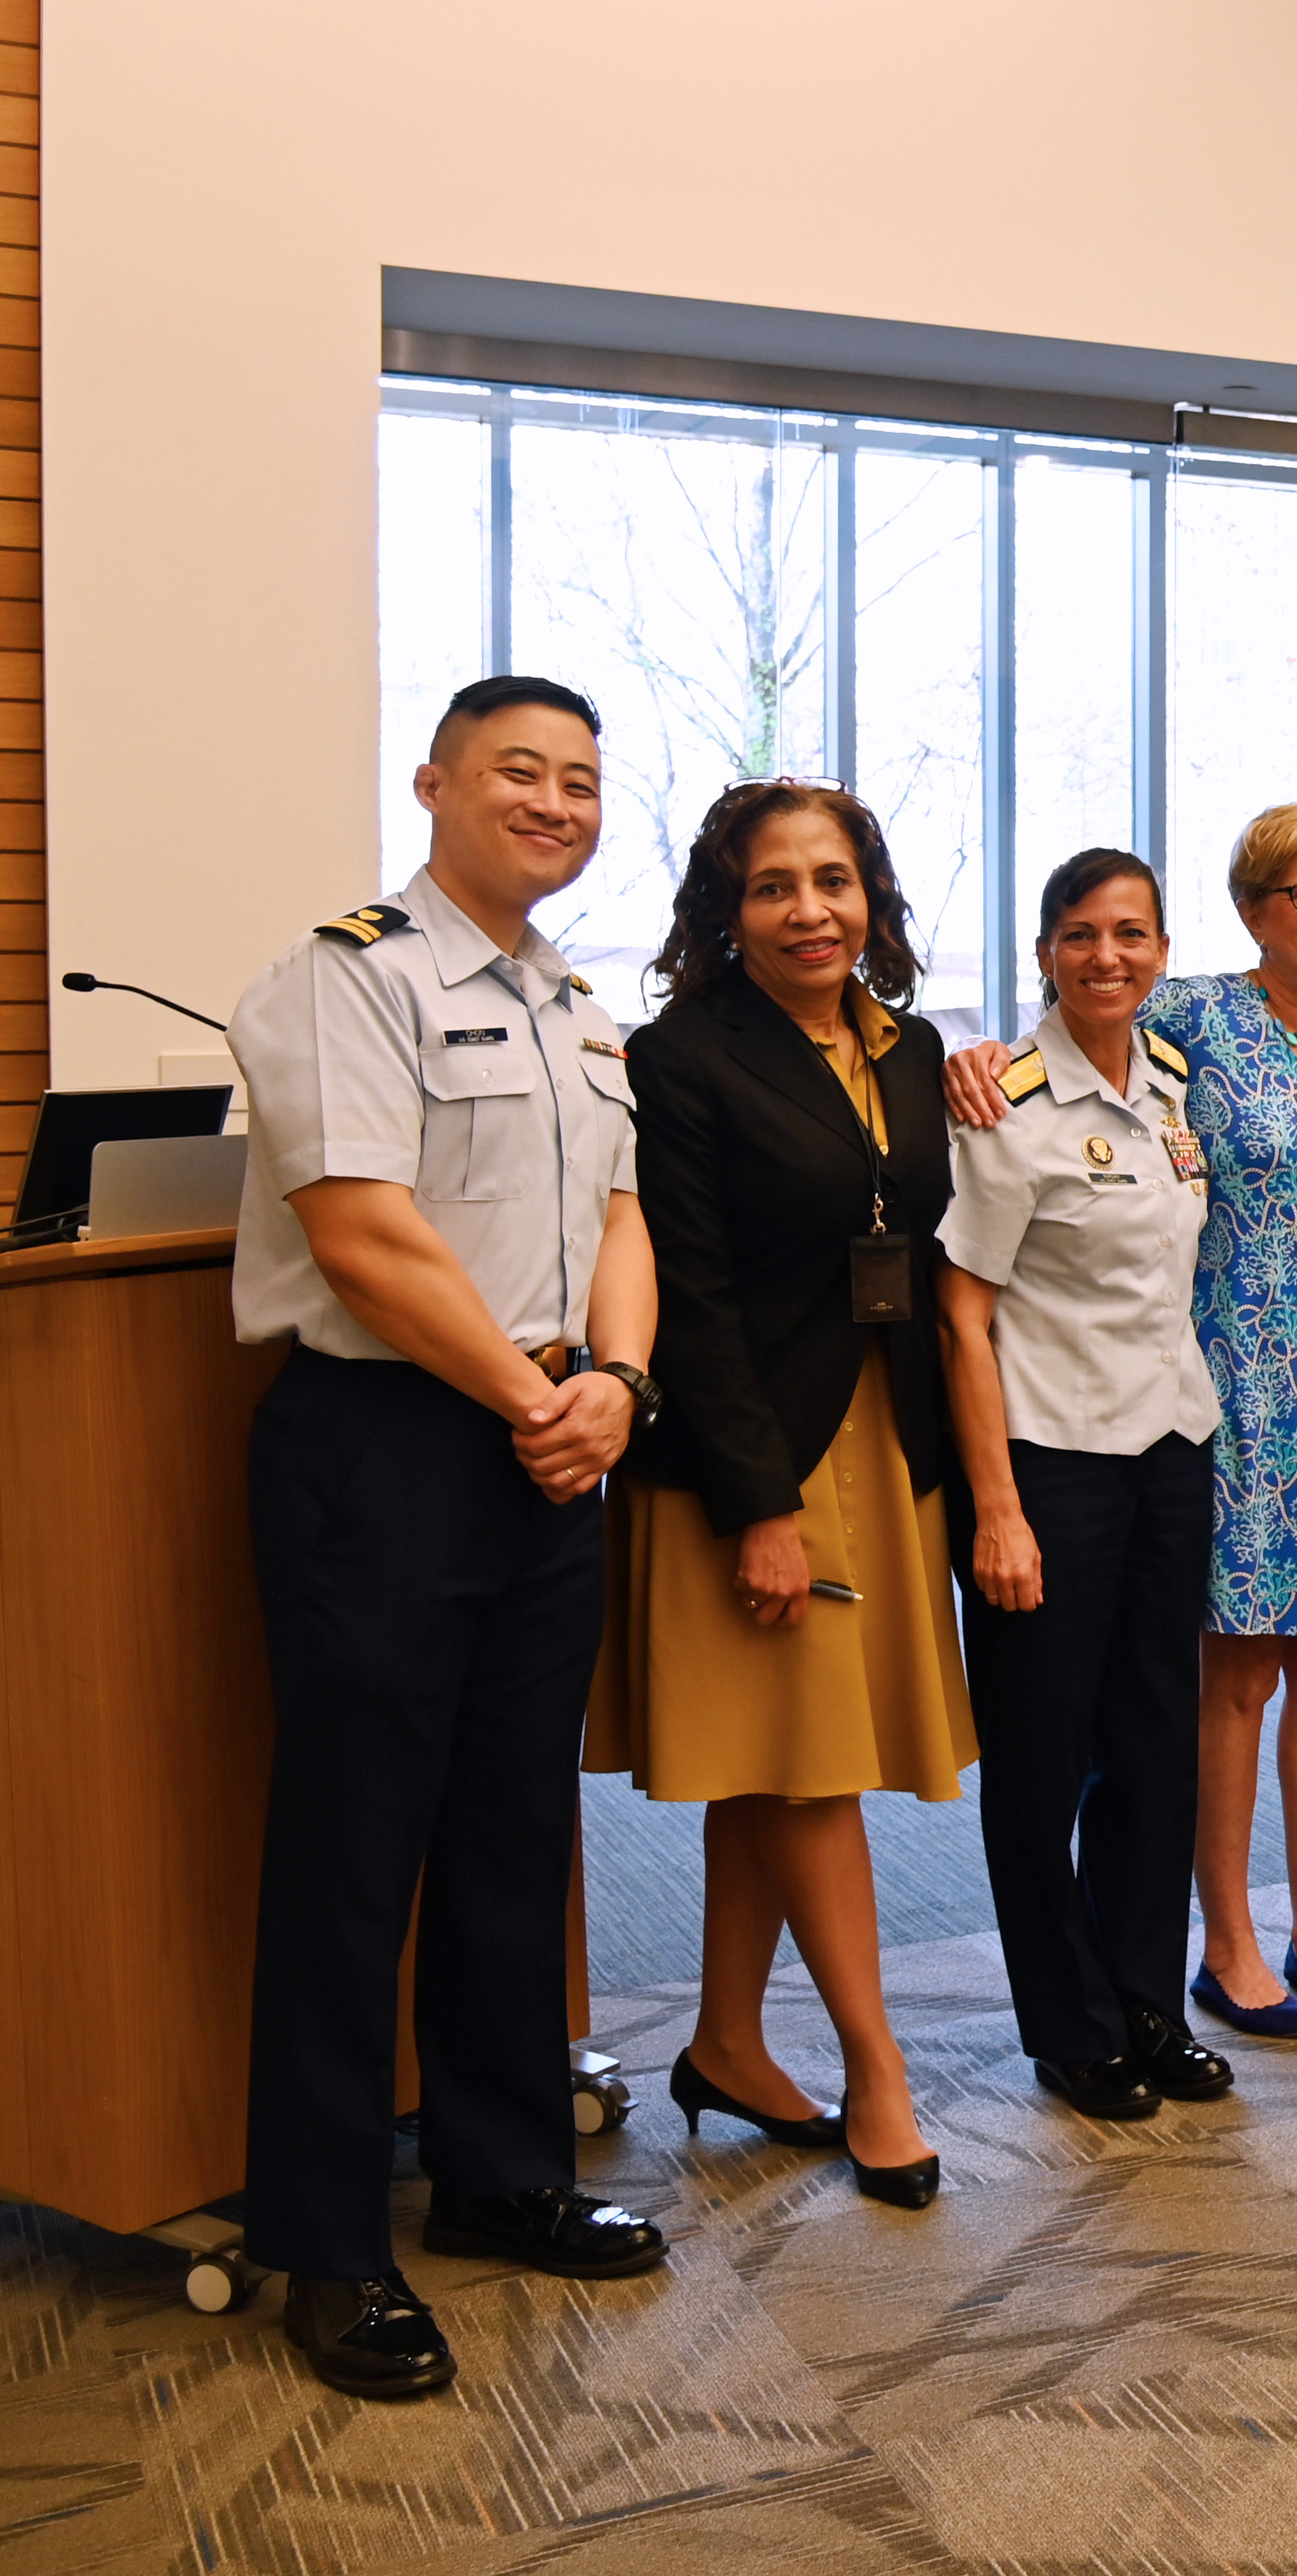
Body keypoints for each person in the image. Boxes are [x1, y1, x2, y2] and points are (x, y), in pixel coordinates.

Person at [223, 673, 669, 2399]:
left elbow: (620, 1215)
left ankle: (500, 2178)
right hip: (393, 1445)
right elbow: (362, 1236)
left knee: (508, 1830)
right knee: (355, 1846)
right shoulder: (350, 976)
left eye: (578, 780)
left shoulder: (576, 1003)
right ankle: (324, 2246)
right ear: (432, 782)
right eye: (517, 774)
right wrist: (536, 1400)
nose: (553, 802)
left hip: (553, 1445)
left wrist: (615, 1380)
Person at [948, 804, 1297, 2041]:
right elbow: (1074, 1042)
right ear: (1249, 913)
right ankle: (1224, 1944)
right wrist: (966, 1061)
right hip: (1224, 1396)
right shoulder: (1200, 1020)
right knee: (1228, 1676)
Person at [591, 780, 972, 2210]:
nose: (810, 909)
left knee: (773, 1759)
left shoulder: (911, 1046)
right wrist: (759, 1504)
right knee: (811, 1766)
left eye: (834, 879)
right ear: (724, 910)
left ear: (871, 893)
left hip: (883, 1438)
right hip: (757, 1458)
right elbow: (685, 1294)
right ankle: (878, 2070)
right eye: (774, 886)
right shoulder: (677, 1057)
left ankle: (729, 2041)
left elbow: (916, 1230)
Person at [938, 850, 1234, 2124]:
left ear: (1162, 948)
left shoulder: (1169, 1085)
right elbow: (962, 1320)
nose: (1107, 956)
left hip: (1170, 1448)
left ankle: (1147, 2004)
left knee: (1159, 1752)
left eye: (1132, 934)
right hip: (1047, 1464)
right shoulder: (1005, 1106)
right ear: (1046, 951)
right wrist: (994, 1509)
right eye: (1079, 935)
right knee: (1043, 1758)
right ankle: (1070, 2026)